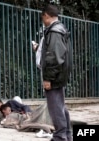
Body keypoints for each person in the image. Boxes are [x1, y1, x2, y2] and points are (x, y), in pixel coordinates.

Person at [40, 4, 72, 141]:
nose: (43, 21)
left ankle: (60, 136)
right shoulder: (61, 29)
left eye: (43, 17)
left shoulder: (54, 31)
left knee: (55, 108)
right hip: (59, 74)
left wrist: (48, 78)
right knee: (60, 106)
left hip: (54, 76)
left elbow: (53, 57)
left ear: (46, 15)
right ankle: (67, 135)